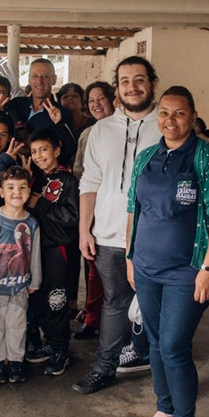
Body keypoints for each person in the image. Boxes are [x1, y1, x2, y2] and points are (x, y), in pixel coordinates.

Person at [126, 87, 209, 417]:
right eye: (165, 114)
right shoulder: (146, 158)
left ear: (192, 115)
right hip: (146, 265)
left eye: (180, 114)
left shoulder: (206, 157)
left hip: (185, 271)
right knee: (155, 342)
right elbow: (132, 210)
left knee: (173, 345)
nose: (170, 121)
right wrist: (129, 256)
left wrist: (208, 268)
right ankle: (165, 410)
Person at [74, 56, 161, 395]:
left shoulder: (165, 124)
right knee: (114, 303)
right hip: (108, 235)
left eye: (139, 79)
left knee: (157, 305)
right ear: (117, 88)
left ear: (151, 82)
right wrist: (85, 229)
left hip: (154, 236)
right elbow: (90, 182)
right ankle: (104, 368)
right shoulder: (101, 129)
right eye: (125, 81)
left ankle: (163, 369)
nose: (132, 87)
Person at [0, 166, 42, 385]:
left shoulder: (31, 223)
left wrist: (35, 280)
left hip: (19, 288)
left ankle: (15, 362)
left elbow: (35, 254)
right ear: (1, 192)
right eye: (10, 187)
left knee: (17, 327)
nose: (16, 192)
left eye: (22, 187)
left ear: (29, 191)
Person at [25, 129, 79, 376]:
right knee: (38, 296)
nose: (38, 155)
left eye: (43, 149)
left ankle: (61, 349)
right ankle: (50, 342)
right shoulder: (35, 178)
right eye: (34, 151)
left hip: (58, 250)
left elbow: (71, 217)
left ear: (57, 150)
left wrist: (40, 204)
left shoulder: (67, 180)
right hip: (35, 249)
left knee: (56, 299)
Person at [72, 80, 115, 339]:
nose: (97, 104)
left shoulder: (129, 129)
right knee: (93, 267)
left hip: (121, 211)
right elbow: (80, 171)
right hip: (95, 208)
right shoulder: (88, 135)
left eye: (101, 98)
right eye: (91, 101)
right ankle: (92, 316)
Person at [4, 58, 77, 166]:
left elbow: (68, 150)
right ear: (29, 79)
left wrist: (59, 124)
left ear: (54, 79)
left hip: (42, 175)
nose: (40, 81)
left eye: (45, 77)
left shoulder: (61, 114)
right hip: (10, 170)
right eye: (35, 76)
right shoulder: (15, 105)